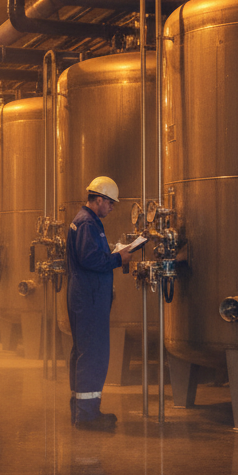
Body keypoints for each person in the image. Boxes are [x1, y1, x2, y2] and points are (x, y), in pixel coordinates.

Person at [66, 175, 134, 430]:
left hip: (85, 296)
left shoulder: (87, 221)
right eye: (111, 203)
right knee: (93, 354)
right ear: (99, 199)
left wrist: (111, 253)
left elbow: (90, 256)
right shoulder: (87, 224)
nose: (112, 208)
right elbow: (90, 260)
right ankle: (87, 415)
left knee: (84, 352)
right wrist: (118, 259)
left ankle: (81, 409)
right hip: (89, 298)